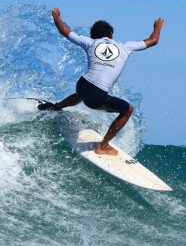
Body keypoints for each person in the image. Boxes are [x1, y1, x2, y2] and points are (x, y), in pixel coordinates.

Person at [39, 8, 164, 156]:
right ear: (111, 35)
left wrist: (56, 16)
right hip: (96, 96)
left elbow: (64, 31)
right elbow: (153, 41)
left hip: (82, 84)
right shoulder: (125, 47)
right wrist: (157, 27)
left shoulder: (90, 42)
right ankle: (103, 146)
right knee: (128, 109)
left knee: (82, 94)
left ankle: (56, 107)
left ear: (93, 35)